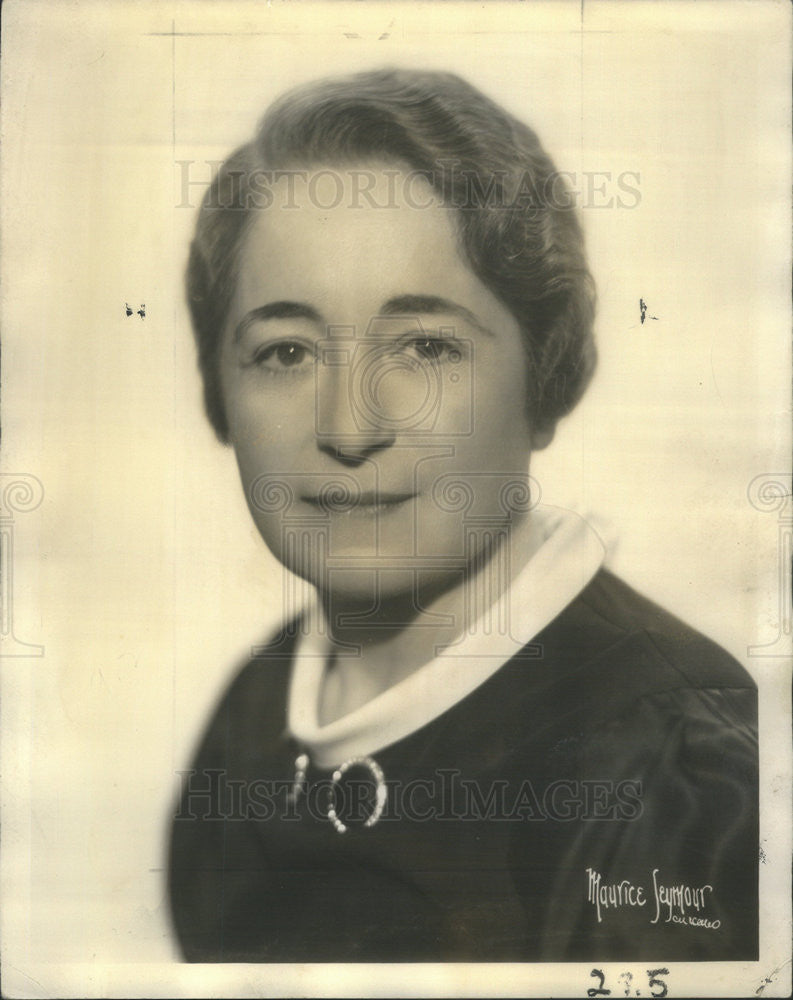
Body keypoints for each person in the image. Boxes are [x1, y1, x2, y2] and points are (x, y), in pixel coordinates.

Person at [168, 68, 758, 962]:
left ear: (545, 378)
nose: (347, 426)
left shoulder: (671, 779)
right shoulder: (254, 713)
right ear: (219, 393)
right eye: (285, 351)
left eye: (425, 347)